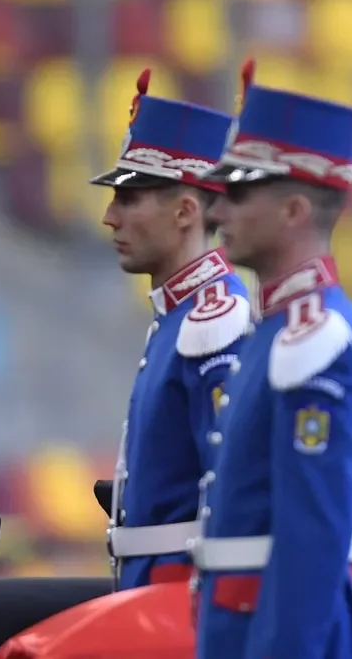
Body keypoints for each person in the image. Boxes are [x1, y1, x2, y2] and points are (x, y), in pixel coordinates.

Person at [190, 62, 352, 659]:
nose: (216, 212)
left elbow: (311, 541)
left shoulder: (313, 342)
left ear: (296, 210)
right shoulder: (278, 331)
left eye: (240, 192)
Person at [90, 68, 251, 590]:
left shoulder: (215, 321)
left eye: (129, 199)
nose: (110, 217)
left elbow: (229, 495)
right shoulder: (181, 314)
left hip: (180, 596)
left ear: (185, 210)